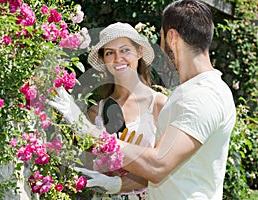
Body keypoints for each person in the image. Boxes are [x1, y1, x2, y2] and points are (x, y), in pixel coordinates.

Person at [48, 0, 236, 199]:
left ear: (171, 37)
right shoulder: (192, 92)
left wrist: (89, 131)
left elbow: (157, 164)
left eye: (162, 39)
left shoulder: (202, 96)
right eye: (110, 53)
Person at [85, 22, 167, 199]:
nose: (117, 58)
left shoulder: (159, 105)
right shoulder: (95, 112)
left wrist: (120, 182)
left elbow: (166, 167)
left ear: (139, 52)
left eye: (125, 50)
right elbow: (89, 168)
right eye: (109, 53)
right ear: (104, 60)